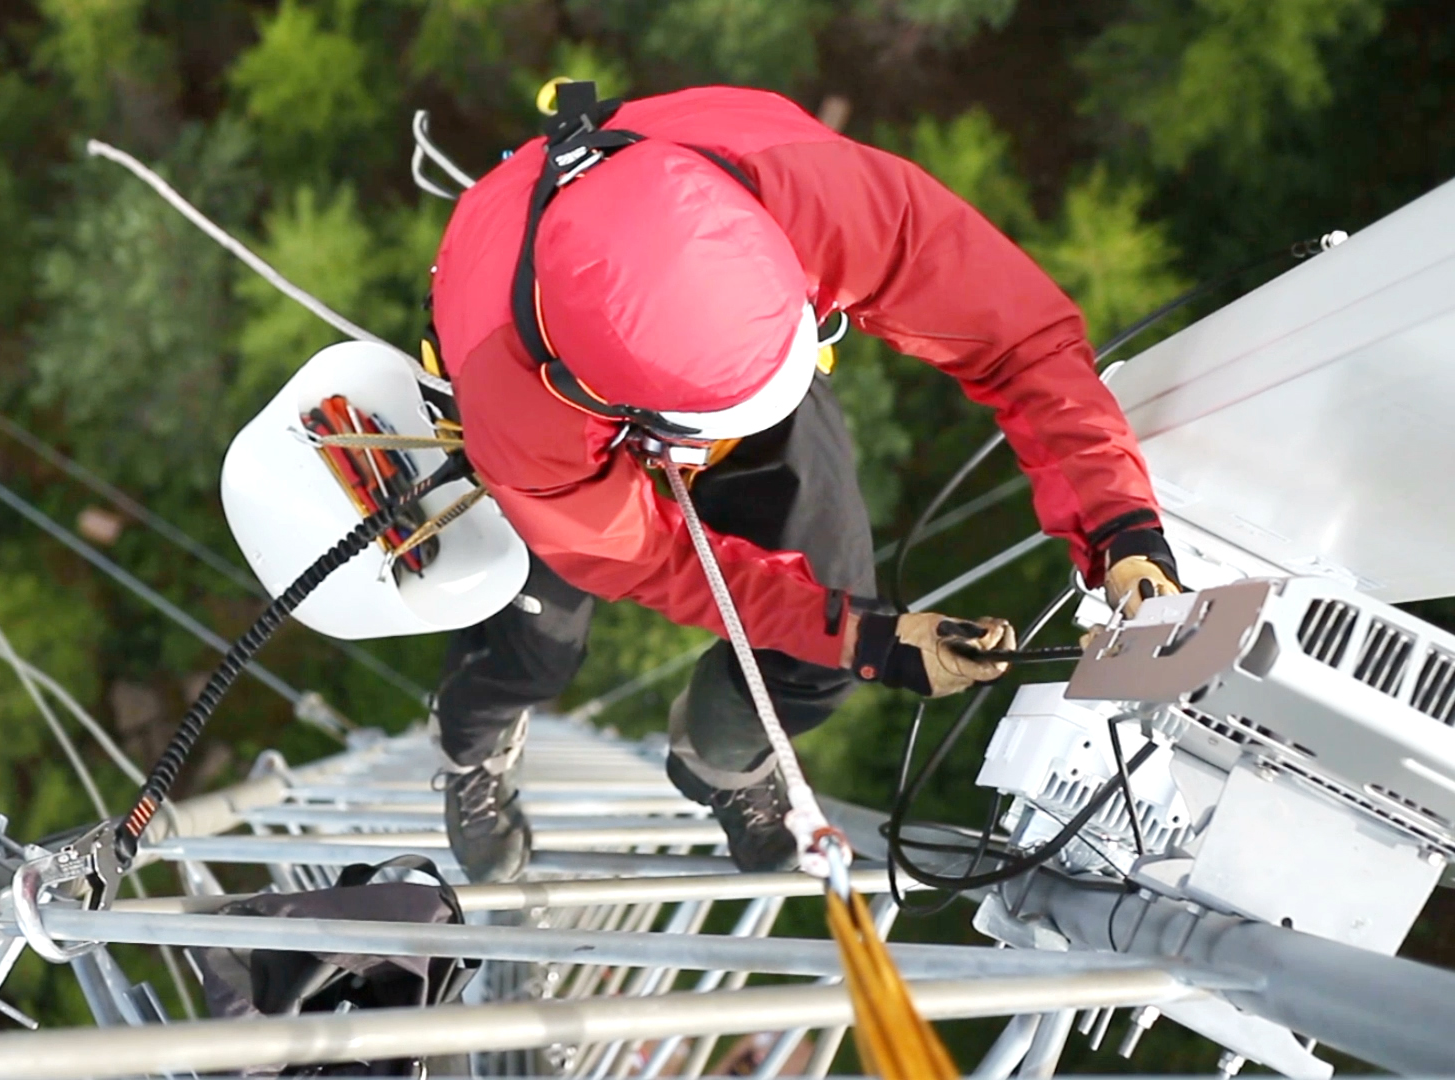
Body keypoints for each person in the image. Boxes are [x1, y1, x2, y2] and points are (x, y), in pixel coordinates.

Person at [424, 84, 1182, 883]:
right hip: (566, 402)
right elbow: (646, 557)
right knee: (533, 646)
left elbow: (1020, 341)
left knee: (828, 637)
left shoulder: (815, 193)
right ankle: (468, 745)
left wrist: (1120, 526)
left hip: (721, 335)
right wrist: (863, 637)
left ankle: (720, 764)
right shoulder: (516, 407)